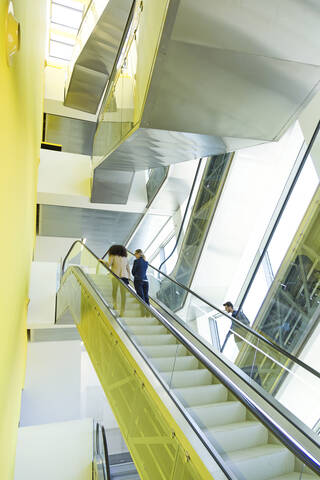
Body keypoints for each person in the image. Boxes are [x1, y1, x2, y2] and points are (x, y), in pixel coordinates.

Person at [105, 245, 131, 317]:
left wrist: (102, 261)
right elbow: (128, 269)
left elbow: (108, 265)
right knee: (123, 295)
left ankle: (115, 305)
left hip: (116, 276)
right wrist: (129, 277)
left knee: (114, 291)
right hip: (124, 277)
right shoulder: (125, 258)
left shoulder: (113, 256)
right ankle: (122, 311)